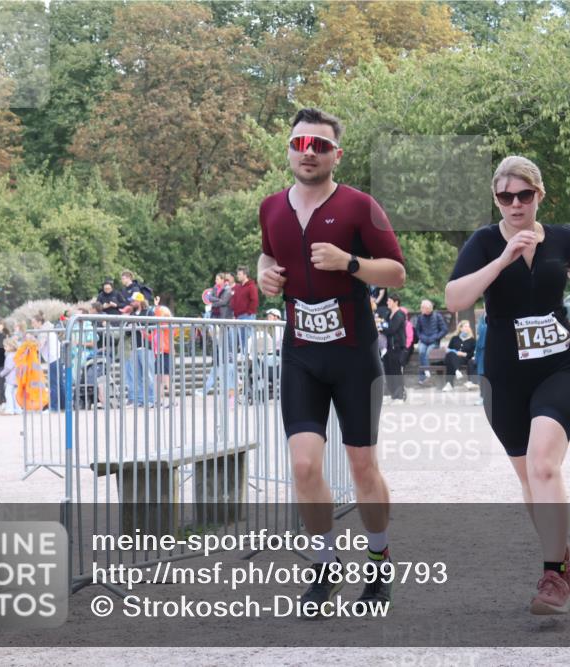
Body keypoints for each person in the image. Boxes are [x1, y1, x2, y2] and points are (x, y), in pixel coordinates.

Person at [256, 107, 406, 612]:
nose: (309, 153)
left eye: (319, 146)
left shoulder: (361, 206)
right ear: (289, 149)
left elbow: (397, 273)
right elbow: (268, 254)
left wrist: (351, 263)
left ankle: (379, 560)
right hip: (301, 354)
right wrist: (264, 274)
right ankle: (325, 566)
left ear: (336, 155)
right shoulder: (271, 208)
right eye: (300, 144)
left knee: (363, 466)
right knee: (303, 465)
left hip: (353, 355)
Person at [445, 155, 570, 615]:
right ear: (496, 200)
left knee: (543, 466)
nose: (515, 204)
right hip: (505, 377)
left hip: (562, 367)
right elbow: (454, 298)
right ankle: (563, 556)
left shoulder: (562, 237)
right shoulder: (483, 243)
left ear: (539, 195)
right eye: (505, 196)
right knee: (530, 480)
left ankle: (552, 578)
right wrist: (502, 260)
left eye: (524, 195)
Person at [381, 294, 407, 403]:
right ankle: (393, 394)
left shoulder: (400, 314)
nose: (387, 302)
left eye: (389, 301)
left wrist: (382, 327)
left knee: (396, 372)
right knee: (389, 371)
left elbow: (392, 329)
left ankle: (399, 396)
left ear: (396, 302)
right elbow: (384, 325)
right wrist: (383, 327)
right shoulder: (388, 314)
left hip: (397, 347)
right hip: (388, 347)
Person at [414, 300, 447, 385]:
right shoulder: (420, 317)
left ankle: (425, 375)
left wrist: (436, 337)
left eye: (422, 307)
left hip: (434, 341)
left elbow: (444, 330)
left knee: (428, 353)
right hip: (424, 340)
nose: (421, 309)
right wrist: (422, 337)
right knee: (421, 352)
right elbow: (417, 331)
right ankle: (425, 374)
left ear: (428, 308)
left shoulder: (437, 316)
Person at [441, 320, 476, 392]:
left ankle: (449, 384)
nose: (467, 328)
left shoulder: (472, 340)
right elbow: (449, 349)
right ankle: (457, 370)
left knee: (450, 360)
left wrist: (463, 354)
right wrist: (453, 351)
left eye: (468, 326)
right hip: (452, 357)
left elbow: (472, 354)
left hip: (464, 359)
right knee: (451, 355)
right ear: (460, 328)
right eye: (465, 326)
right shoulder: (454, 338)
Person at [232, 266, 259, 356]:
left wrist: (249, 312)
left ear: (245, 275)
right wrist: (235, 313)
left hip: (248, 315)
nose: (237, 276)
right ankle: (244, 356)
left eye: (239, 274)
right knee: (242, 338)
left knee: (248, 337)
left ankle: (249, 357)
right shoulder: (239, 287)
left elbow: (254, 300)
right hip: (239, 316)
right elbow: (235, 300)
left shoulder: (251, 286)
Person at [473, 312, 487, 406]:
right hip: (482, 352)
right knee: (482, 376)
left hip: (489, 351)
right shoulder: (482, 317)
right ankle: (483, 397)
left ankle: (486, 397)